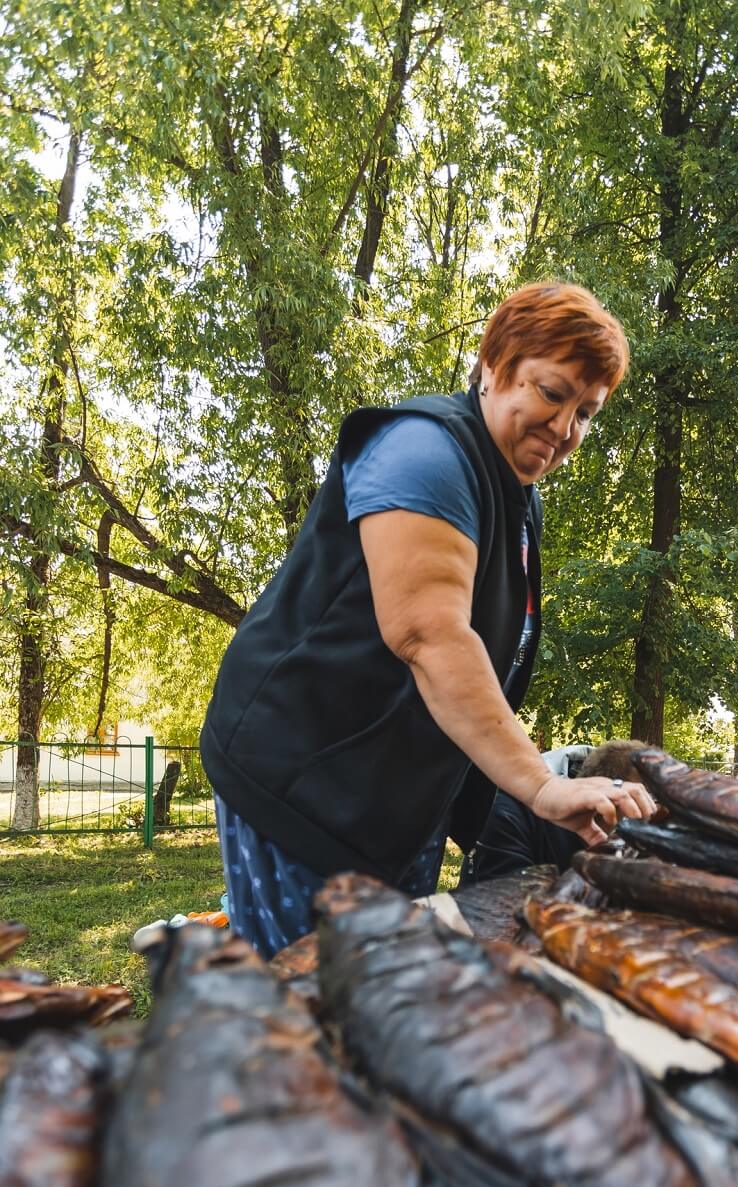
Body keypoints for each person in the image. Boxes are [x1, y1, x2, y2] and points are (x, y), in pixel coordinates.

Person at [200, 282, 657, 957]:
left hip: (391, 810)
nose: (564, 431)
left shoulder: (516, 494)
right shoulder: (427, 453)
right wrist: (540, 786)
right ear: (495, 365)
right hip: (300, 789)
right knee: (305, 1010)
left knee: (384, 998)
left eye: (587, 413)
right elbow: (428, 635)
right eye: (553, 393)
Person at [458, 739, 651, 885]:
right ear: (608, 801)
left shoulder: (638, 847)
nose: (652, 821)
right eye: (642, 802)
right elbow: (505, 914)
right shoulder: (509, 814)